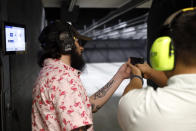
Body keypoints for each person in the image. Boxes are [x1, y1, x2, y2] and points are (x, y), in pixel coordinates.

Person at [31, 21, 131, 131]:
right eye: (79, 43)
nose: (81, 48)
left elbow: (87, 106)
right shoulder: (64, 79)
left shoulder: (49, 73)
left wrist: (120, 76)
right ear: (67, 43)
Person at [118, 7, 196, 131]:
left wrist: (136, 76)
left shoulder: (141, 109)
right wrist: (150, 71)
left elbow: (128, 97)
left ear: (162, 52)